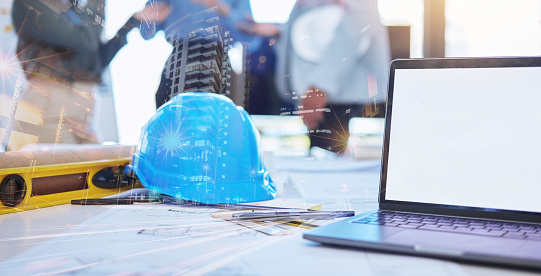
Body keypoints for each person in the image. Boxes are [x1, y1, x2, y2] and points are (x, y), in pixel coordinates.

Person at [240, 0, 390, 154]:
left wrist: (320, 86)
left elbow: (355, 27)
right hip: (324, 93)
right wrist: (280, 32)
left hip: (339, 95)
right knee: (322, 159)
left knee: (333, 164)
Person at [5, 0, 146, 151]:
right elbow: (84, 41)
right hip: (50, 110)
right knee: (61, 171)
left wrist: (131, 23)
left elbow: (94, 63)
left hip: (82, 114)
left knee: (102, 168)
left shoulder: (72, 9)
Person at [136, 0, 264, 109]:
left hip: (217, 60)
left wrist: (222, 8)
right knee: (167, 114)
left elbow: (252, 41)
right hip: (179, 59)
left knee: (218, 120)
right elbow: (146, 33)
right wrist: (149, 17)